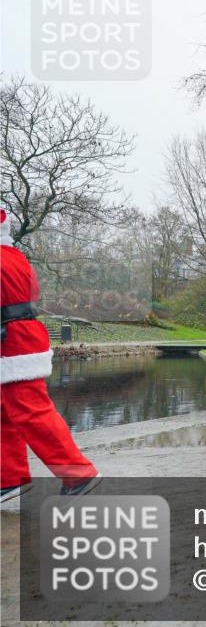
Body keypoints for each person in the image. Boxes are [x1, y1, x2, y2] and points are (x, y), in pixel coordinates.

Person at [1, 210, 101, 501]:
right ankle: (9, 478)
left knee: (31, 412)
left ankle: (78, 474)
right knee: (6, 413)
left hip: (12, 345)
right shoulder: (14, 256)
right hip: (20, 339)